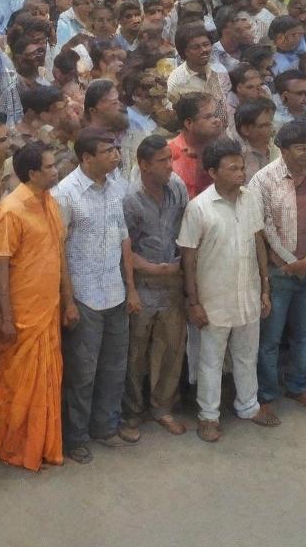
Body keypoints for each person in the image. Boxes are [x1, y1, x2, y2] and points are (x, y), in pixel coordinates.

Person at [178, 137, 274, 443]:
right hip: (213, 300)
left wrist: (265, 288)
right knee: (210, 361)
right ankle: (208, 417)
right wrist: (193, 303)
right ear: (213, 172)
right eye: (232, 168)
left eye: (241, 167)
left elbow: (258, 242)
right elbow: (188, 259)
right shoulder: (199, 208)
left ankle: (248, 406)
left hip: (248, 295)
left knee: (247, 355)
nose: (240, 173)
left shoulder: (251, 199)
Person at [53, 128, 139, 464]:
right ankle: (75, 436)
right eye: (107, 150)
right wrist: (68, 300)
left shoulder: (115, 187)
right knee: (82, 372)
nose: (115, 155)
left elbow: (124, 239)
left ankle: (106, 426)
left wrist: (130, 287)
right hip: (85, 295)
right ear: (86, 157)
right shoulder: (66, 194)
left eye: (115, 149)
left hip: (115, 291)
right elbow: (58, 251)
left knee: (115, 367)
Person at [0, 142, 70, 471]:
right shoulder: (11, 210)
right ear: (32, 173)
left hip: (47, 307)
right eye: (49, 167)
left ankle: (43, 445)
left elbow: (58, 254)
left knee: (46, 381)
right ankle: (18, 447)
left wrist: (68, 301)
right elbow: (0, 266)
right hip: (21, 315)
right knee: (17, 384)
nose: (55, 171)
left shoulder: (49, 201)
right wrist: (5, 316)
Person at [250, 121, 306, 418]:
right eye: (300, 148)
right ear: (283, 149)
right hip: (279, 271)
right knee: (270, 338)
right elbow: (263, 226)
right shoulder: (264, 180)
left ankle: (299, 385)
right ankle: (265, 394)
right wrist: (290, 260)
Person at [121, 135, 189, 436]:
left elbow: (187, 232)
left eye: (170, 159)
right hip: (143, 284)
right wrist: (147, 272)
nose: (170, 166)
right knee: (136, 352)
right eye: (162, 161)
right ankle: (133, 410)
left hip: (173, 284)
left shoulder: (178, 189)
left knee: (171, 349)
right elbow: (123, 249)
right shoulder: (130, 199)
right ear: (144, 165)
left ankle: (163, 407)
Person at [167, 92, 224, 198]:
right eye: (208, 117)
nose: (216, 120)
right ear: (189, 123)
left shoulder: (223, 150)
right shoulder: (168, 155)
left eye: (216, 115)